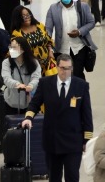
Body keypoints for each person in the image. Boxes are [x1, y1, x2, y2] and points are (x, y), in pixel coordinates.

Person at [22, 54, 93, 182]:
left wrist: (86, 140)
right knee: (54, 177)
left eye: (68, 68)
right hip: (52, 140)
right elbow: (35, 104)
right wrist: (28, 117)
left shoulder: (81, 85)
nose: (65, 71)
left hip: (73, 140)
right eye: (62, 68)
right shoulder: (45, 83)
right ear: (57, 67)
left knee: (72, 176)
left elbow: (86, 113)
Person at [45, 0, 97, 80]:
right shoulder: (53, 9)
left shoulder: (83, 6)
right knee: (63, 76)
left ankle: (80, 94)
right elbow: (48, 29)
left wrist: (79, 32)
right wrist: (48, 47)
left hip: (79, 47)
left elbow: (91, 22)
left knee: (77, 74)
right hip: (61, 49)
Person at [1, 37, 41, 115]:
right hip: (11, 102)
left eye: (14, 47)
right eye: (10, 47)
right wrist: (17, 84)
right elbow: (6, 78)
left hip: (29, 102)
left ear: (23, 48)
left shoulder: (34, 62)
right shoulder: (7, 62)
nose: (11, 50)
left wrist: (31, 86)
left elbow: (36, 77)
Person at [10, 5, 54, 76]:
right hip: (31, 68)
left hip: (47, 66)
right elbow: (15, 55)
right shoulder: (16, 33)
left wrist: (50, 52)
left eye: (28, 15)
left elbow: (48, 40)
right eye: (23, 16)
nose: (27, 17)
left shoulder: (40, 26)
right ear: (18, 18)